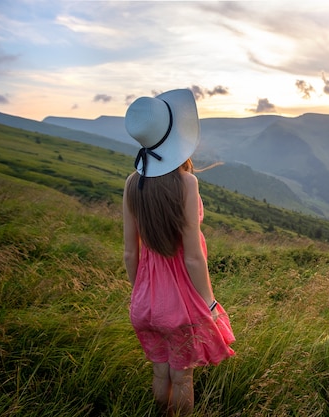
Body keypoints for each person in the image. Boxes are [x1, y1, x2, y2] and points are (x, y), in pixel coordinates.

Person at [122, 89, 235, 416]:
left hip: (145, 302)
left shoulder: (132, 183)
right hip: (180, 304)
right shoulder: (186, 183)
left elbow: (131, 253)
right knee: (183, 378)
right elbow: (192, 256)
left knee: (160, 371)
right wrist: (209, 303)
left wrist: (141, 293)